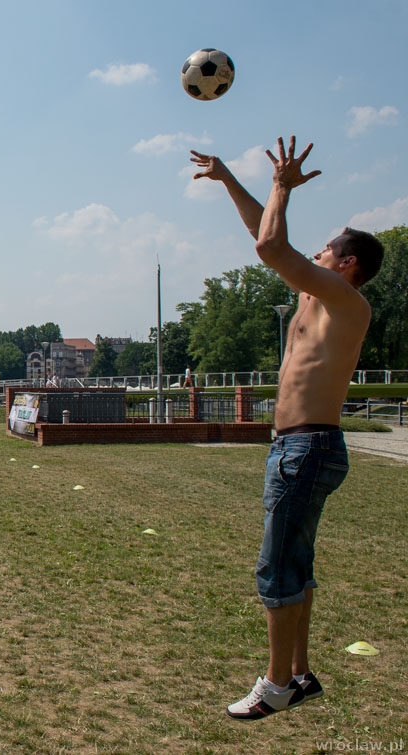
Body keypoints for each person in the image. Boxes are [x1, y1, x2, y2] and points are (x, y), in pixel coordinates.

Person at [192, 137, 384, 719]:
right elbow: (267, 238)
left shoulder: (345, 301)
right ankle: (298, 675)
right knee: (296, 567)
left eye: (327, 249)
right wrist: (229, 180)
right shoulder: (316, 295)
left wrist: (282, 185)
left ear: (346, 263)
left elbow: (272, 246)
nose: (317, 252)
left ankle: (275, 686)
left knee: (277, 570)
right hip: (301, 448)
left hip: (307, 448)